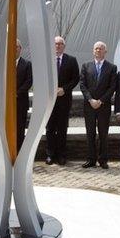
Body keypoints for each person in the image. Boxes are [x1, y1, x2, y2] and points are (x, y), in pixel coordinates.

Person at [79, 41, 117, 169]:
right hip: (89, 106)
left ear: (105, 52)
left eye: (101, 49)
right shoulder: (85, 66)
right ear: (93, 51)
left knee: (103, 133)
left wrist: (100, 101)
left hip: (103, 106)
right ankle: (91, 159)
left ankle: (103, 160)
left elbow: (112, 87)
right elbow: (83, 85)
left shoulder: (112, 67)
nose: (98, 51)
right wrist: (91, 100)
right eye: (96, 49)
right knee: (90, 133)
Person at [45, 36, 79, 165]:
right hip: (49, 101)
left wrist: (64, 89)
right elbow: (42, 77)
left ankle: (61, 155)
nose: (58, 46)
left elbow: (75, 78)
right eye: (55, 44)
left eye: (60, 44)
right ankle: (50, 155)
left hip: (64, 100)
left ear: (64, 46)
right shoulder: (47, 60)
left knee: (62, 128)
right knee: (49, 128)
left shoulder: (71, 60)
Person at [16, 39, 33, 151]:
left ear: (20, 49)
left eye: (16, 46)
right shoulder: (4, 63)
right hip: (6, 104)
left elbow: (29, 81)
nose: (14, 49)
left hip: (20, 102)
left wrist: (16, 93)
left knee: (20, 129)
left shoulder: (27, 64)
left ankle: (19, 152)